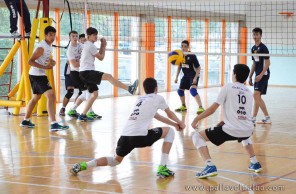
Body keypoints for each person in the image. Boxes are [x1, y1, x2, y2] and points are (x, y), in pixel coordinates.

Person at [70, 77, 186, 178]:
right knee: (170, 132)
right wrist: (180, 122)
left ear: (145, 89)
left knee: (115, 161)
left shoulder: (140, 99)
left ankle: (83, 165)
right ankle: (162, 167)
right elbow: (169, 113)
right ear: (156, 88)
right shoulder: (158, 98)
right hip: (140, 136)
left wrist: (175, 124)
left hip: (125, 136)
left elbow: (157, 116)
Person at [191, 64, 262, 179]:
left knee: (196, 136)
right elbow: (242, 114)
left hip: (231, 130)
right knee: (244, 133)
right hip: (248, 130)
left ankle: (209, 166)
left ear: (234, 74)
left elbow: (212, 109)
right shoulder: (248, 92)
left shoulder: (228, 87)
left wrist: (196, 119)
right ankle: (254, 162)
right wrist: (224, 121)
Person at [77, 27, 138, 122]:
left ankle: (83, 115)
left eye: (96, 34)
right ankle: (129, 88)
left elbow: (99, 55)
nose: (96, 36)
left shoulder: (89, 44)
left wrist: (102, 45)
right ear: (88, 36)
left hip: (83, 73)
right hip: (86, 72)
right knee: (109, 76)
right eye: (94, 35)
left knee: (95, 94)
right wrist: (104, 46)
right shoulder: (90, 45)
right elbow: (101, 57)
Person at [20, 26, 69, 132]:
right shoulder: (41, 47)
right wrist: (45, 67)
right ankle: (54, 124)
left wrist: (51, 61)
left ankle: (26, 120)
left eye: (54, 35)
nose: (52, 37)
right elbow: (30, 61)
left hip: (38, 75)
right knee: (51, 96)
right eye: (50, 35)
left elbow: (45, 58)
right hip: (37, 75)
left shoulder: (49, 46)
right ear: (45, 35)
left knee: (35, 98)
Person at [174, 40, 204, 114]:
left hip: (193, 75)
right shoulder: (180, 56)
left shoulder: (192, 55)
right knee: (180, 91)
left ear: (188, 47)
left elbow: (198, 68)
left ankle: (201, 107)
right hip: (186, 76)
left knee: (193, 91)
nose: (183, 48)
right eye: (182, 46)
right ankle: (183, 106)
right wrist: (176, 77)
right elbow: (179, 67)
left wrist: (195, 78)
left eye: (185, 46)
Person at [249, 27, 271, 125]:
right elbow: (254, 63)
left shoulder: (263, 48)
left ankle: (253, 119)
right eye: (254, 34)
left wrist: (261, 75)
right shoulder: (253, 48)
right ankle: (267, 118)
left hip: (264, 74)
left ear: (260, 36)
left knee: (255, 95)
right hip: (257, 75)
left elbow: (268, 63)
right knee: (258, 97)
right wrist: (250, 76)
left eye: (257, 34)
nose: (255, 36)